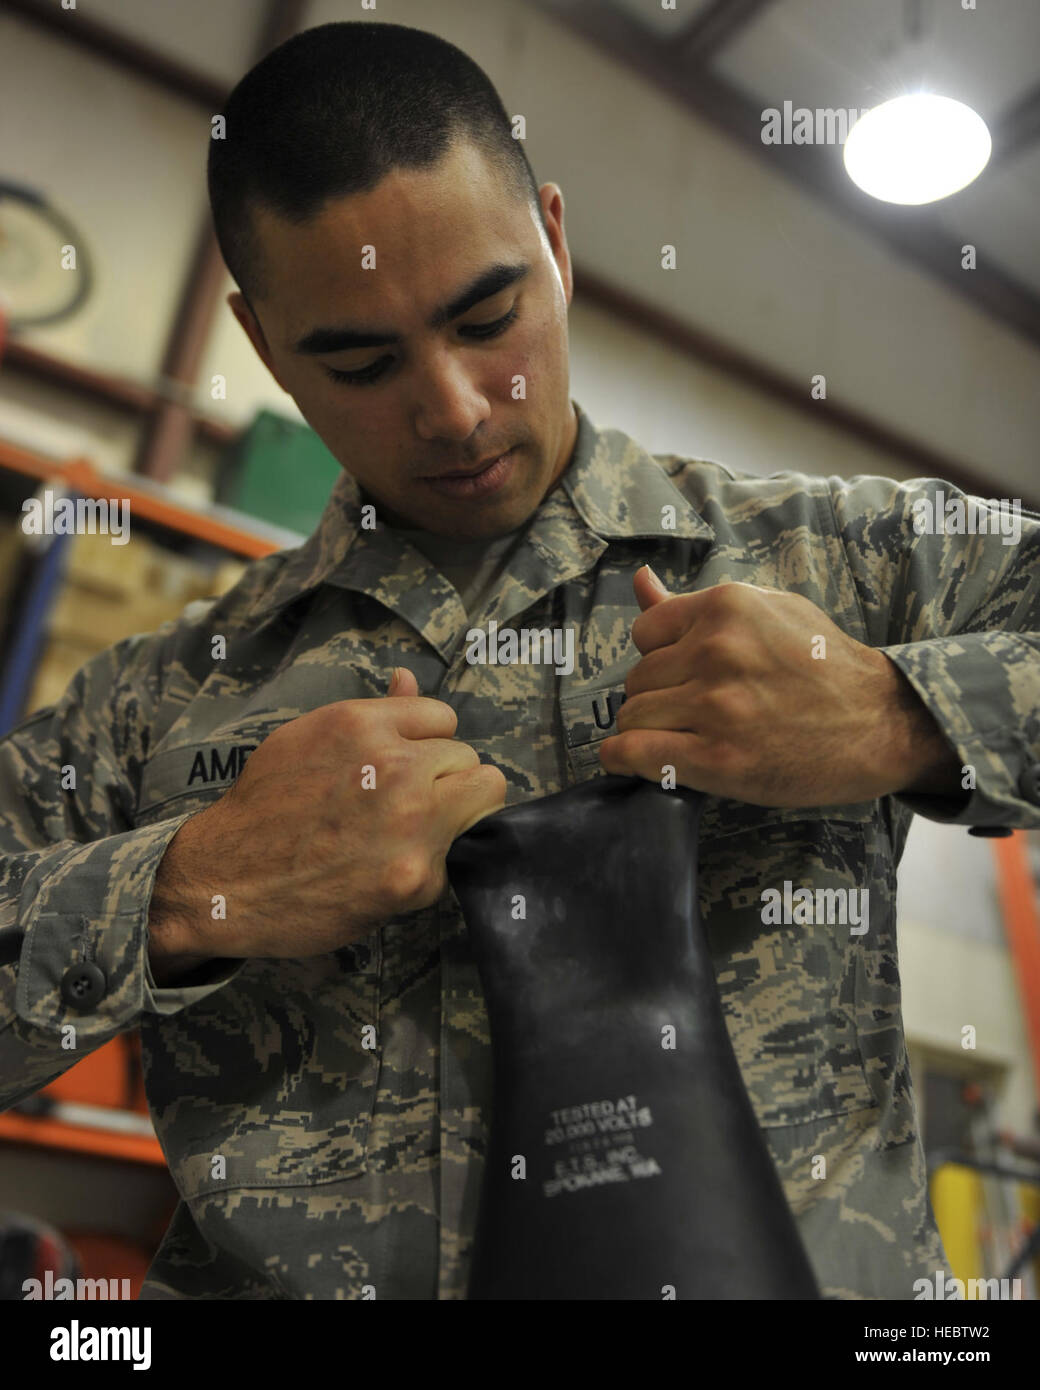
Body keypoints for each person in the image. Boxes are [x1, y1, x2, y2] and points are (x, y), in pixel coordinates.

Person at [1, 20, 1038, 1301]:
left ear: (553, 238)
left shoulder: (837, 561)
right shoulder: (155, 702)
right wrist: (189, 885)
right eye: (360, 360)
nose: (450, 407)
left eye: (486, 315)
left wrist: (897, 710)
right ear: (264, 345)